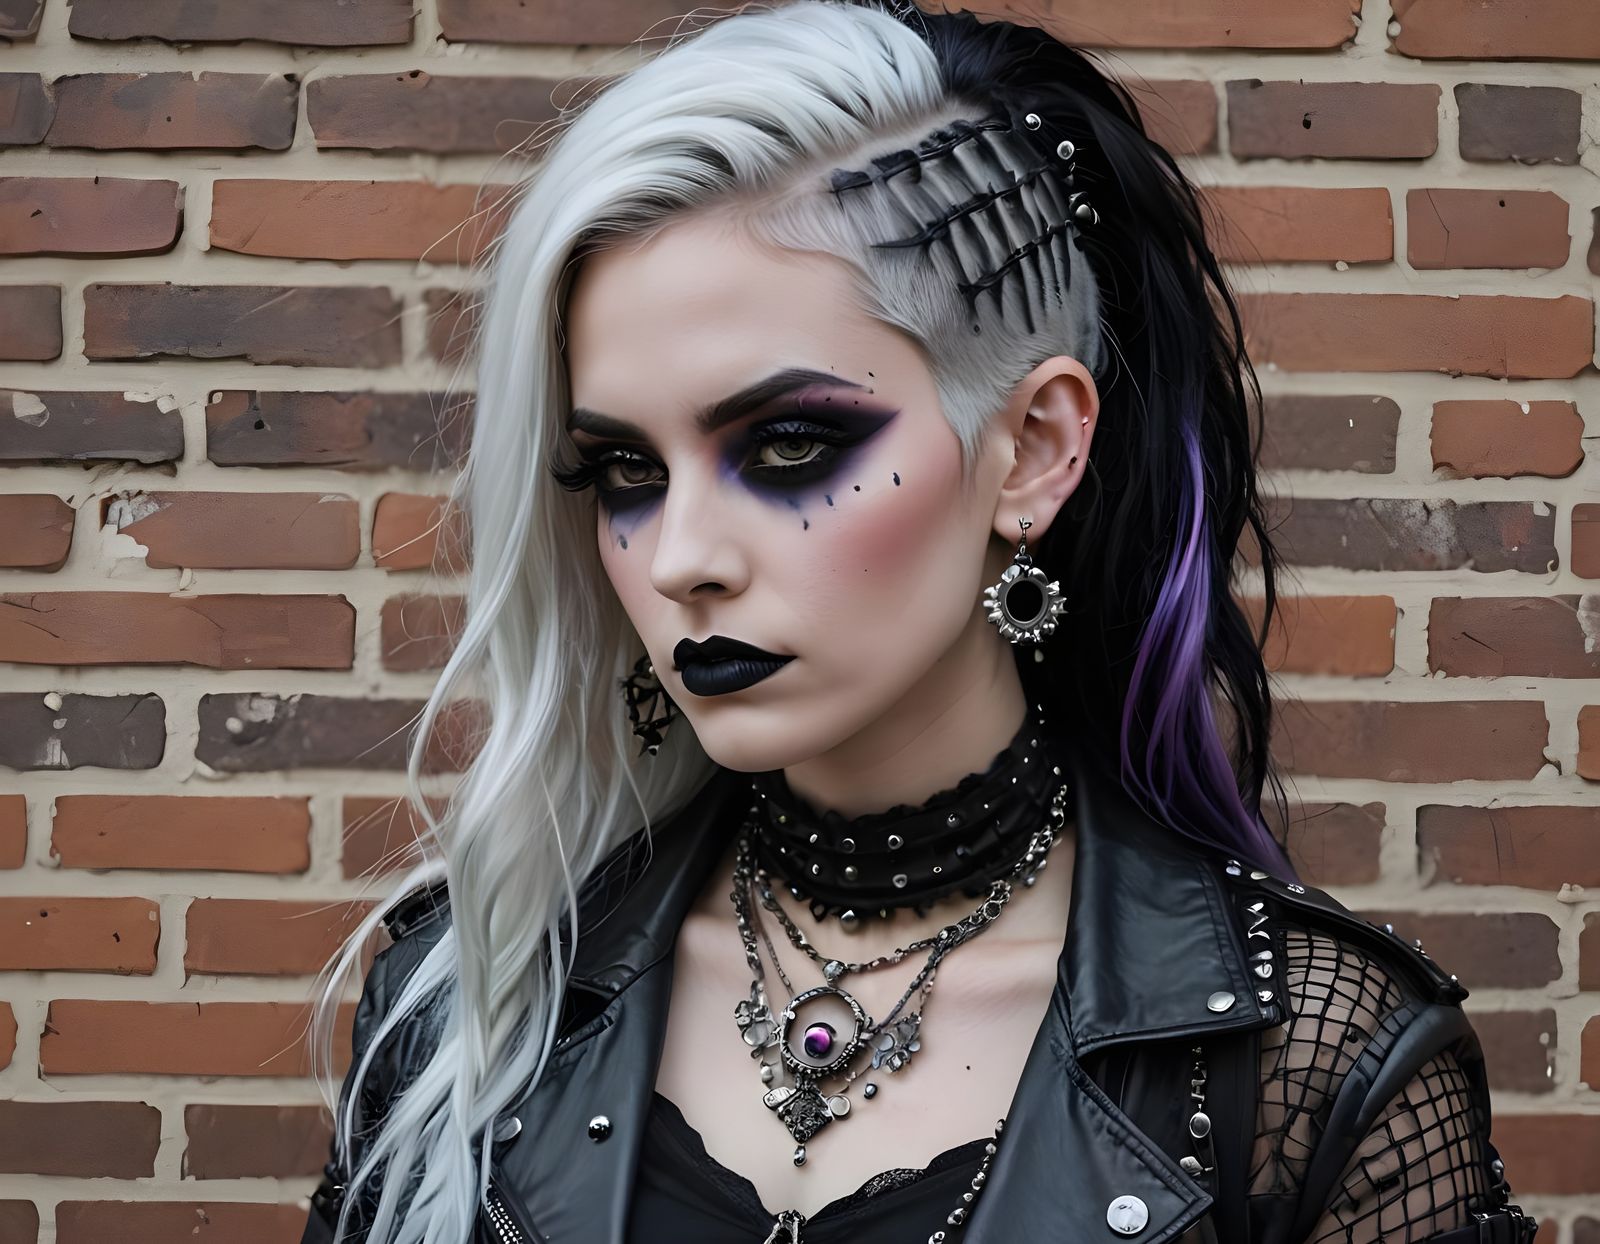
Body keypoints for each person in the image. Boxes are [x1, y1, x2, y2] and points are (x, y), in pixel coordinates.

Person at [298, 4, 1537, 1242]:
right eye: (625, 469)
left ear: (1032, 450)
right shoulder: (471, 994)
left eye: (787, 446)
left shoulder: (1309, 1063)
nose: (680, 560)